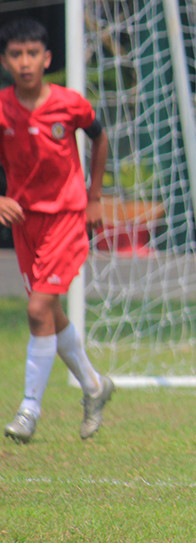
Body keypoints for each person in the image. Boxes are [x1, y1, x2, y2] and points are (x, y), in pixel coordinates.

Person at [0, 18, 114, 444]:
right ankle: (94, 386)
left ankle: (29, 409)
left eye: (32, 54)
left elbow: (99, 139)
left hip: (66, 218)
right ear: (5, 61)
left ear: (47, 59)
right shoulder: (2, 107)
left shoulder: (70, 104)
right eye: (16, 54)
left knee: (35, 311)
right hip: (25, 223)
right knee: (48, 311)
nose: (25, 62)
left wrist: (95, 195)